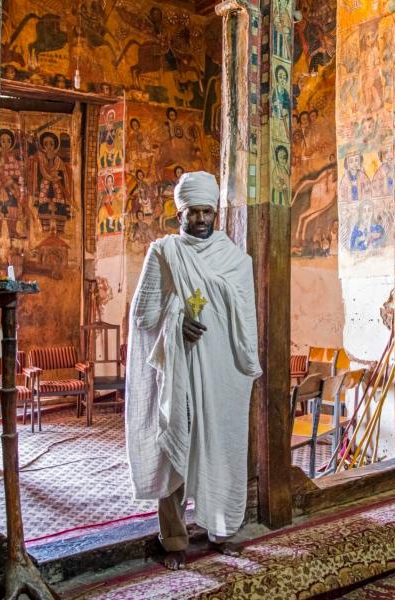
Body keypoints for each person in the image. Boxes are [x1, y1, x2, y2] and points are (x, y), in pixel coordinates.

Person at [126, 171, 262, 571]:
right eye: (193, 212)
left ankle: (221, 531)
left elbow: (246, 322)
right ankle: (174, 540)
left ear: (215, 212)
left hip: (222, 374)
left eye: (207, 212)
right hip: (178, 370)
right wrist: (175, 321)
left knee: (220, 447)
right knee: (175, 450)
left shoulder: (237, 261)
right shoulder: (164, 252)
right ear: (179, 212)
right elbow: (142, 315)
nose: (201, 220)